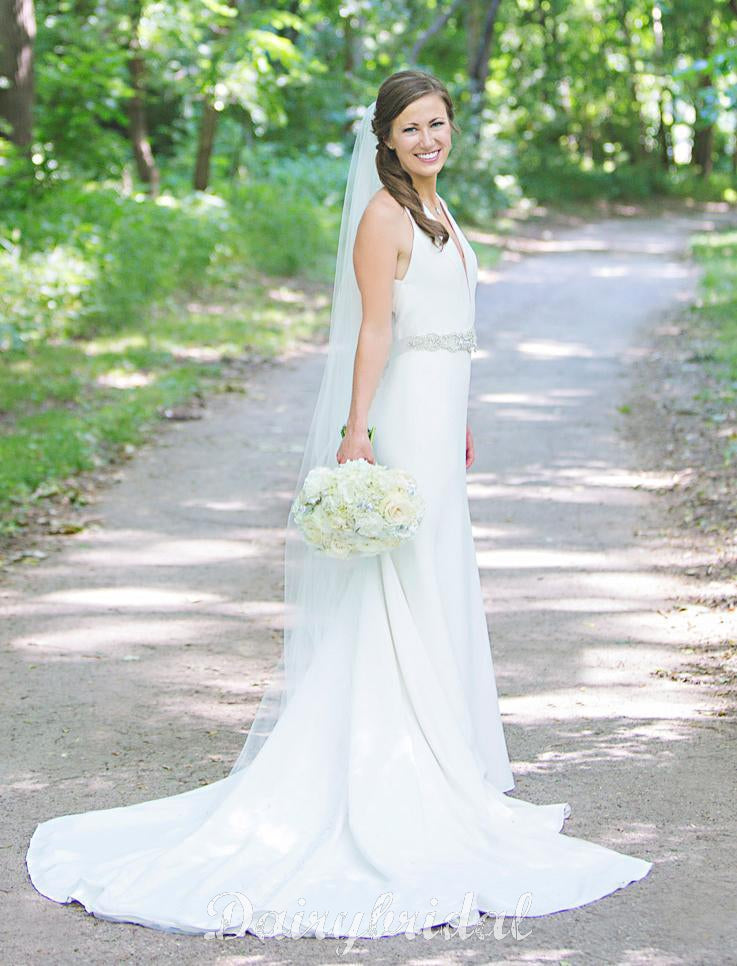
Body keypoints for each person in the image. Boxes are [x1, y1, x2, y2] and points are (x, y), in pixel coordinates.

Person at [25, 70, 652, 941]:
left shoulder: (439, 207)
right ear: (384, 140)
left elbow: (446, 326)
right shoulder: (384, 217)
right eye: (410, 129)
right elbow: (375, 330)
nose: (427, 139)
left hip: (439, 416)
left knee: (435, 575)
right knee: (396, 585)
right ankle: (386, 760)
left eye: (437, 124)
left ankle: (439, 752)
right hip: (397, 418)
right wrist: (358, 433)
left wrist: (459, 418)